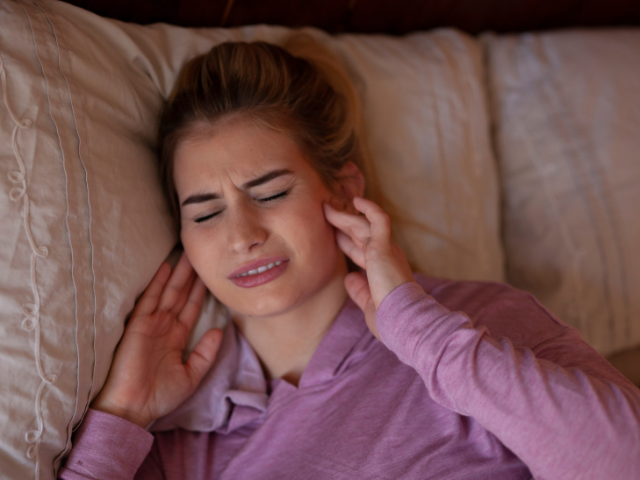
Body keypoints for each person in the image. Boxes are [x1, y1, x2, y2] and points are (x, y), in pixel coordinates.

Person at [59, 38, 640, 480]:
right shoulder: (184, 437)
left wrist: (418, 331)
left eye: (270, 192)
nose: (242, 234)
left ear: (340, 191)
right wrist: (123, 416)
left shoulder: (474, 322)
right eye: (206, 212)